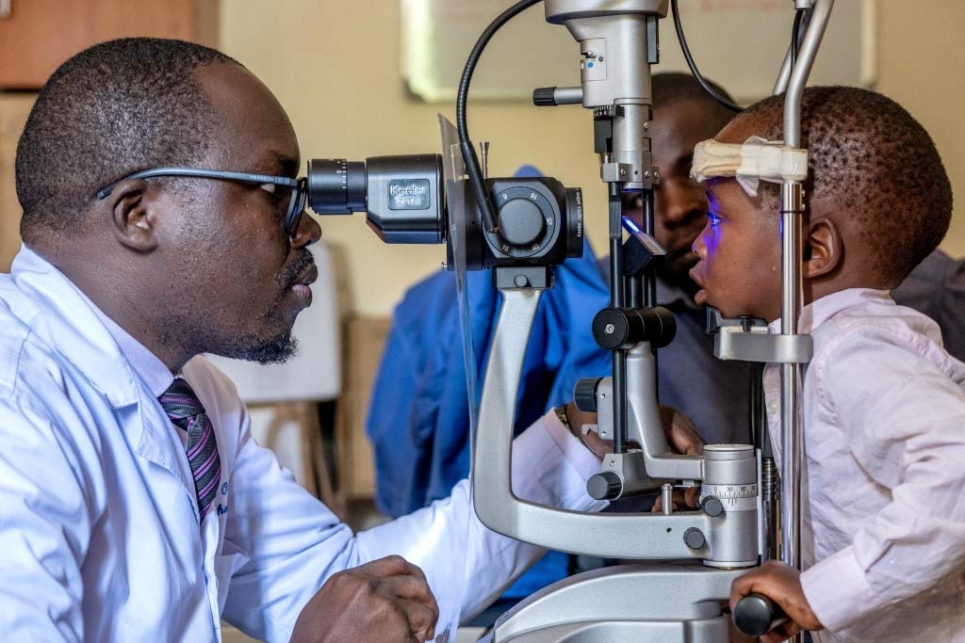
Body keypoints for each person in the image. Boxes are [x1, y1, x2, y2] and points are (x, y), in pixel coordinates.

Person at [0, 38, 708, 642]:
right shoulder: (16, 402)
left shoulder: (190, 396)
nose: (305, 227)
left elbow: (343, 587)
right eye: (274, 191)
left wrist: (567, 450)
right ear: (139, 212)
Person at [366, 73, 750, 599]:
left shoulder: (849, 294)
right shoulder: (597, 314)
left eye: (698, 171)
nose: (676, 207)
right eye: (640, 193)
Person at [686, 85, 965, 642]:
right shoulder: (818, 347)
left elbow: (958, 467)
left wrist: (824, 592)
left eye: (717, 219)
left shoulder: (854, 350)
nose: (698, 244)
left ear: (813, 251)